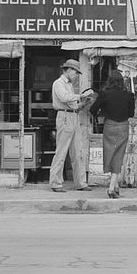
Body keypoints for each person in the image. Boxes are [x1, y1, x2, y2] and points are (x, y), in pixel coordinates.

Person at [48, 59, 95, 193]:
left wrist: (84, 103)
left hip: (73, 116)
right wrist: (81, 96)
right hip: (64, 117)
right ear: (68, 70)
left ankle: (80, 183)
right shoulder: (58, 83)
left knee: (78, 151)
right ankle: (55, 183)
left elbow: (73, 105)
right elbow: (64, 98)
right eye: (75, 72)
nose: (76, 75)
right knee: (61, 151)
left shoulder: (68, 85)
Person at [90, 68, 137, 198]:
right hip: (123, 127)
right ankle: (112, 188)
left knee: (110, 153)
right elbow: (131, 114)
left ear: (109, 81)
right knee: (119, 155)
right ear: (122, 81)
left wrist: (102, 113)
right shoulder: (129, 95)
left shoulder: (104, 93)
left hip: (109, 126)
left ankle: (114, 186)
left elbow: (92, 109)